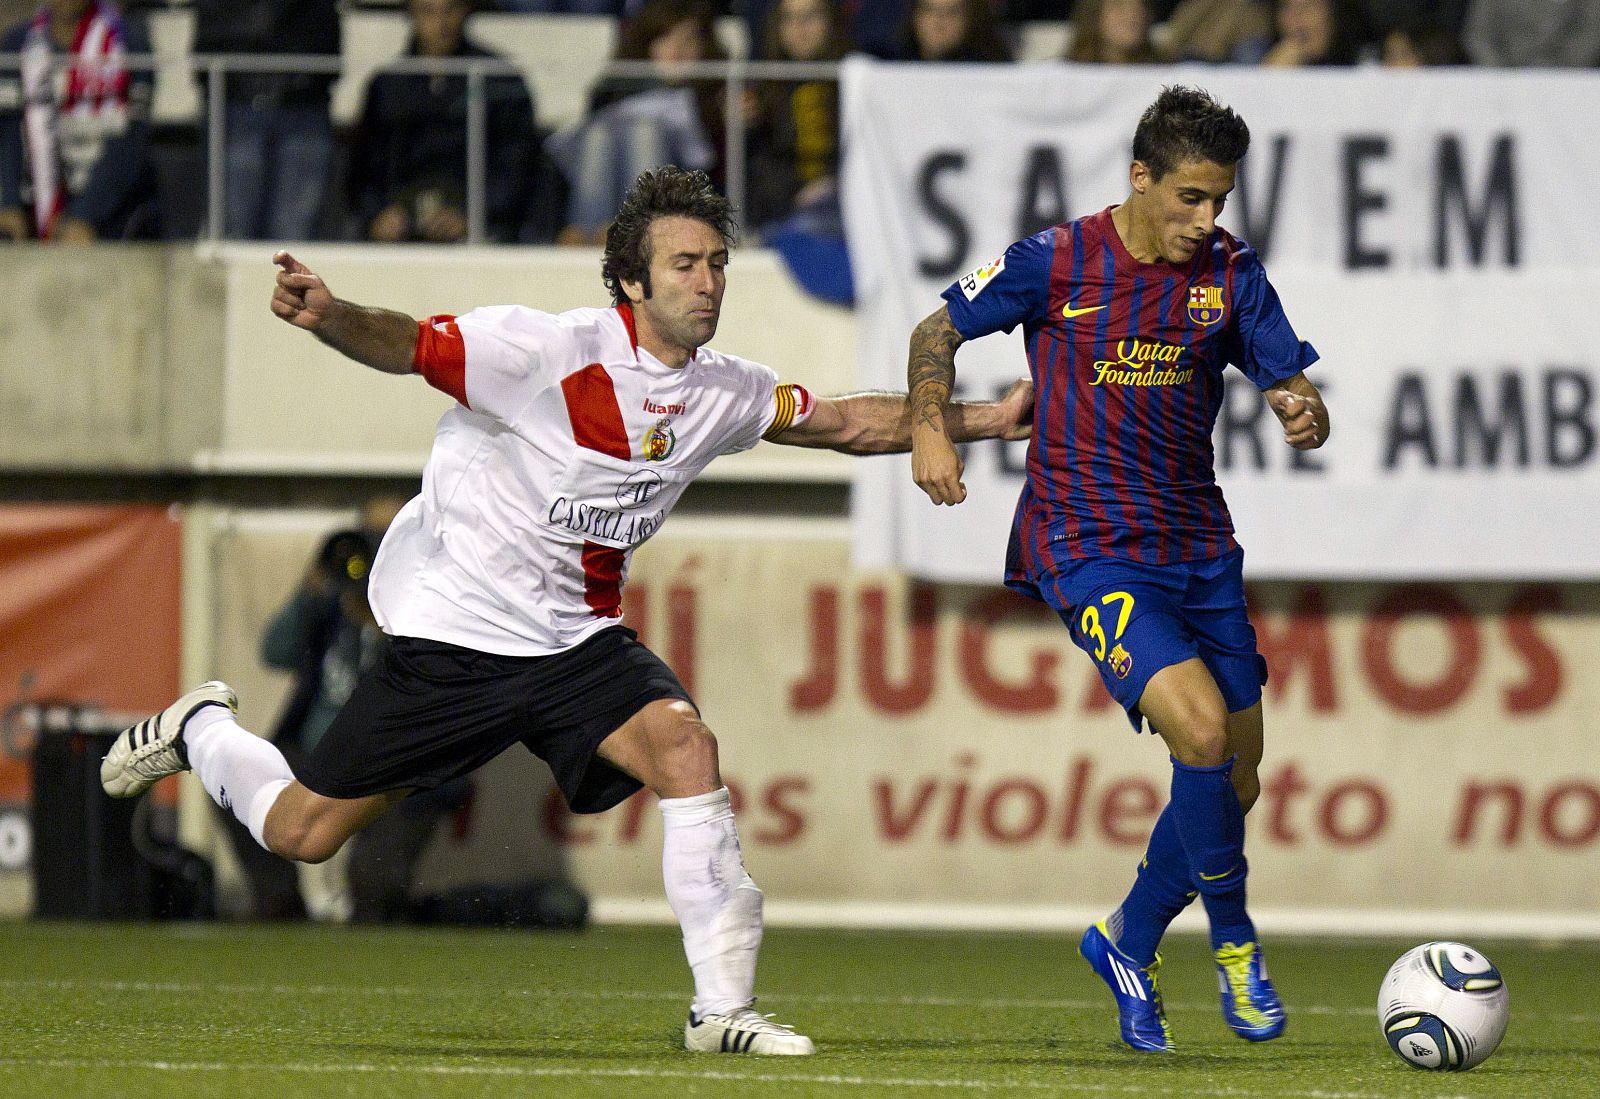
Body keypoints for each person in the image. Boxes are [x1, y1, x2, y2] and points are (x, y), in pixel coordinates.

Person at [102, 165, 1034, 1055]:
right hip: (454, 636)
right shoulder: (541, 351)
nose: (709, 282)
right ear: (631, 279)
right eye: (685, 263)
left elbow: (839, 421)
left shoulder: (724, 389)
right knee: (301, 834)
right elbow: (412, 343)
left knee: (686, 747)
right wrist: (331, 314)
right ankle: (205, 728)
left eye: (717, 263)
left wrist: (984, 420)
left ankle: (723, 1009)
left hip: (574, 645)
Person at [906, 86, 1329, 1053]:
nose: (1205, 219)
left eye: (1219, 200)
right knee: (1202, 729)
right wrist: (933, 427)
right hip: (1085, 541)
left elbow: (1290, 378)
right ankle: (1233, 946)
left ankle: (1128, 938)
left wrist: (1303, 409)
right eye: (1188, 197)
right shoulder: (1054, 262)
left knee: (1240, 777)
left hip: (1197, 546)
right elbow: (937, 333)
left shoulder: (1230, 274)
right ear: (1139, 178)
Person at [347, 0, 538, 244]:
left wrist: (473, 216)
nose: (441, 23)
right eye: (428, 11)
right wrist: (378, 214)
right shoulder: (387, 84)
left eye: (450, 10)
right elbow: (364, 168)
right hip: (400, 228)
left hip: (482, 230)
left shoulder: (498, 78)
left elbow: (518, 163)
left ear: (465, 11)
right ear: (411, 14)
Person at [550, 0, 733, 246]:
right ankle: (588, 232)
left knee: (645, 131)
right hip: (608, 211)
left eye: (688, 40)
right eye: (665, 37)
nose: (676, 49)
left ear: (704, 46)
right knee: (599, 134)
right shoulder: (618, 87)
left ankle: (640, 231)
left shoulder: (718, 96)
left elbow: (714, 172)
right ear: (647, 43)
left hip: (683, 211)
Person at [0, 0, 157, 242]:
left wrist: (85, 216)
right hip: (29, 209)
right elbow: (7, 130)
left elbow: (130, 142)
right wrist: (8, 202)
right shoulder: (18, 43)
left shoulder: (128, 42)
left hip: (109, 212)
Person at [192, 0, 340, 241]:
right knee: (232, 234)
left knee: (294, 237)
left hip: (304, 102)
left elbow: (324, 35)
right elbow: (211, 37)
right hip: (235, 102)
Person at [894, 0, 1013, 62]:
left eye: (951, 13)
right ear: (914, 16)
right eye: (929, 10)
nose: (938, 23)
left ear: (971, 19)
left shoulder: (994, 73)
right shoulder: (890, 66)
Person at [1064, 0, 1165, 64]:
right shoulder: (1062, 76)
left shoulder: (1167, 73)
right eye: (1119, 5)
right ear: (1093, 15)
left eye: (1140, 5)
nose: (1133, 14)